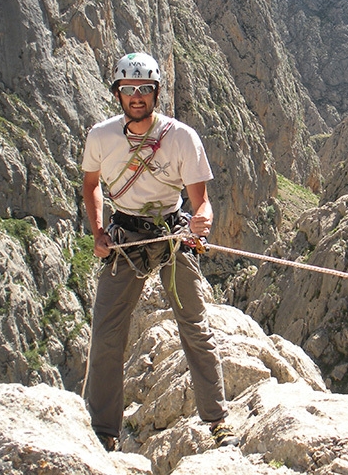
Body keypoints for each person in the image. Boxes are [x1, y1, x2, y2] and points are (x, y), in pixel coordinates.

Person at [80, 52, 239, 451]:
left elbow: (201, 202)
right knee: (106, 334)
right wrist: (99, 231)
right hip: (126, 236)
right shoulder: (101, 136)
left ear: (155, 93)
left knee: (196, 327)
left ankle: (217, 420)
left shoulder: (181, 137)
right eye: (129, 89)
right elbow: (91, 185)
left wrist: (201, 222)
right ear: (117, 93)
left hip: (171, 234)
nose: (137, 97)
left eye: (144, 89)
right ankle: (104, 431)